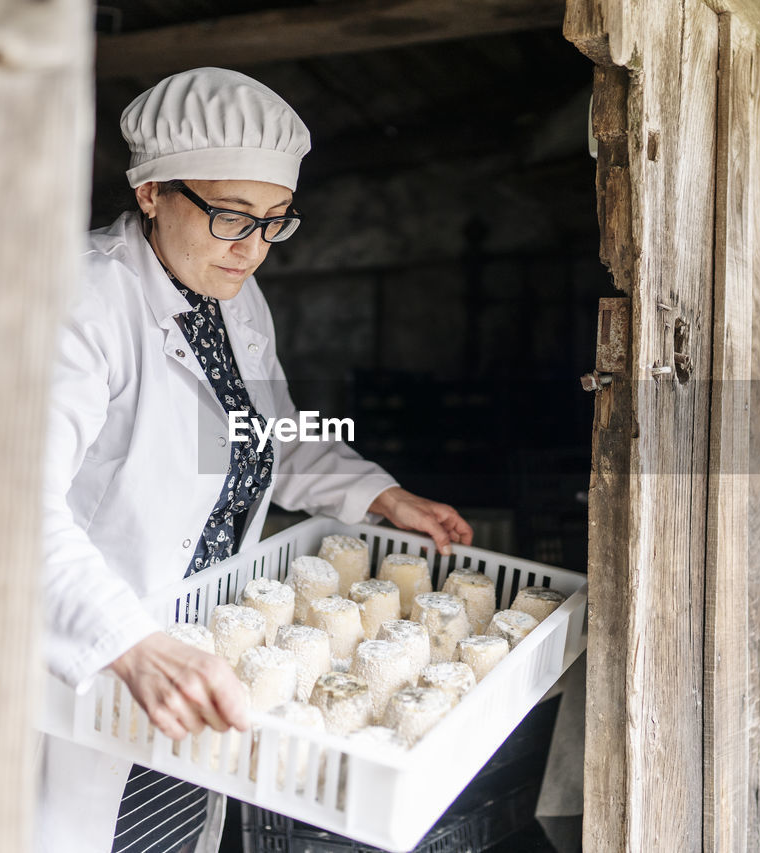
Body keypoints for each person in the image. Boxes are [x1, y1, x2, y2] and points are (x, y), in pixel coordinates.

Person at [38, 67, 473, 853]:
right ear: (151, 193)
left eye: (275, 221)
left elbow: (256, 434)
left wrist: (379, 494)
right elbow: (10, 507)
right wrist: (129, 643)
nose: (254, 250)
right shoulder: (83, 301)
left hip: (197, 648)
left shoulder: (231, 298)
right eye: (232, 217)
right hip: (93, 656)